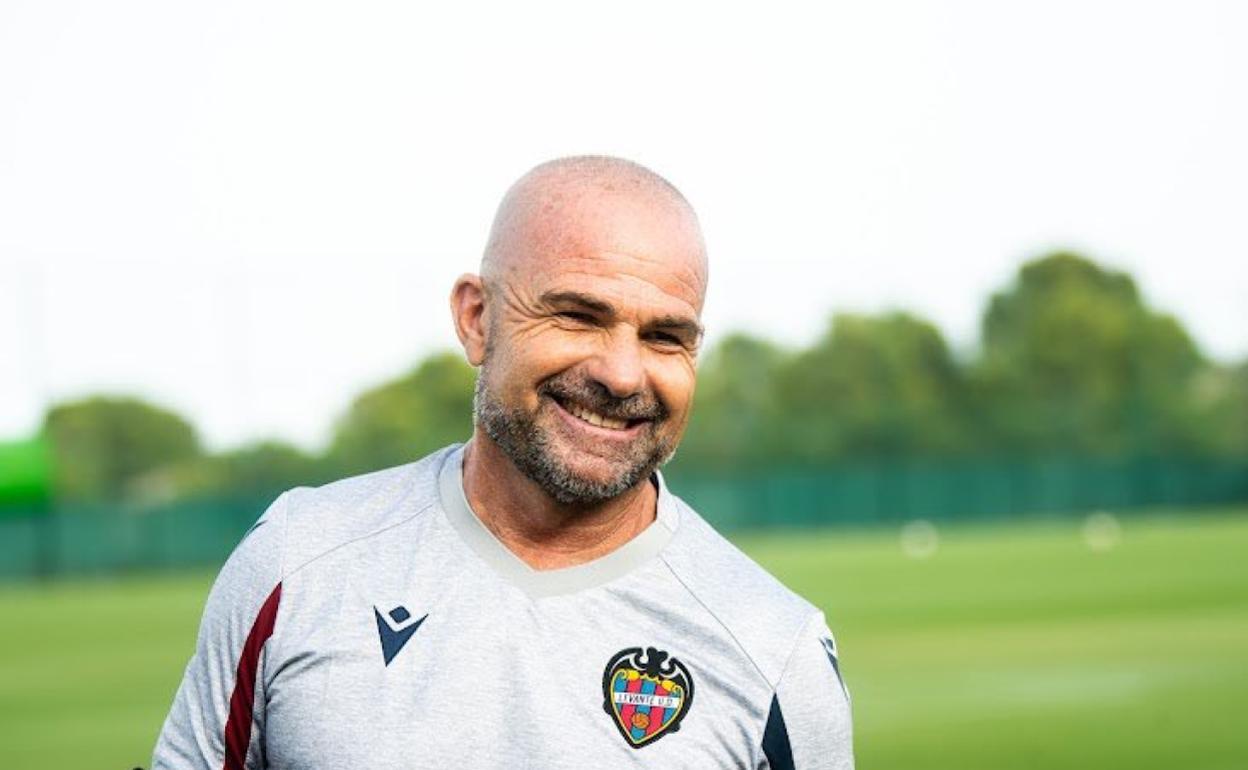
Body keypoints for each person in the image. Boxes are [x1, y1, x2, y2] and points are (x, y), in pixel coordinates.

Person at [153, 156, 854, 769]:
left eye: (666, 337)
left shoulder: (774, 648)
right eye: (578, 316)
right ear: (476, 319)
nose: (621, 373)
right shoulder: (298, 563)